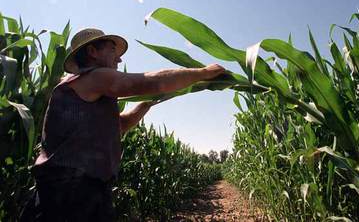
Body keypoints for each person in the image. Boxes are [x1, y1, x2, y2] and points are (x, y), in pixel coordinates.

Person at [27, 28, 225, 221]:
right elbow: (148, 82)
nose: (119, 59)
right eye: (112, 50)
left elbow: (118, 126)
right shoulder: (92, 77)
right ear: (92, 52)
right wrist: (204, 72)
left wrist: (145, 105)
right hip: (69, 192)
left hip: (82, 189)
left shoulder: (89, 88)